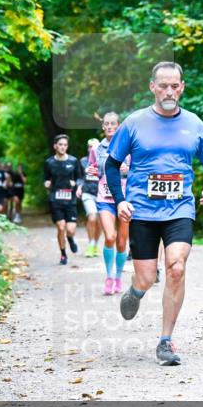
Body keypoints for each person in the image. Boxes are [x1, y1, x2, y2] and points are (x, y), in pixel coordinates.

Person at [103, 62, 203, 366]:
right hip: (142, 210)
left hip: (179, 208)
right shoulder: (134, 123)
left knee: (177, 268)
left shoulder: (194, 124)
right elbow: (112, 164)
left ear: (182, 87)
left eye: (175, 85)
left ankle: (165, 341)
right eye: (163, 85)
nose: (170, 91)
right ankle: (137, 290)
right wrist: (119, 200)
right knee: (145, 277)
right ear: (152, 87)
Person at [94, 112, 130, 295]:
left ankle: (118, 277)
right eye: (106, 124)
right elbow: (94, 170)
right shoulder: (97, 148)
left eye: (112, 124)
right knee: (110, 236)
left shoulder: (128, 146)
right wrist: (92, 172)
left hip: (124, 199)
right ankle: (108, 276)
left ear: (118, 126)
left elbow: (139, 170)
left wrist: (128, 169)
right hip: (104, 198)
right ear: (103, 127)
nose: (109, 126)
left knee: (122, 243)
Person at [43, 134, 83, 265]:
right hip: (56, 199)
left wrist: (77, 187)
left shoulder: (73, 161)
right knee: (61, 227)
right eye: (60, 144)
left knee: (70, 229)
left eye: (65, 145)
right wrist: (47, 184)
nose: (63, 147)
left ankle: (70, 238)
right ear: (55, 146)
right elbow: (46, 179)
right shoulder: (49, 162)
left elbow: (80, 178)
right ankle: (63, 254)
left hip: (70, 199)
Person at [78, 139, 102, 257]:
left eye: (94, 147)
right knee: (92, 217)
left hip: (102, 194)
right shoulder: (83, 161)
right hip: (87, 192)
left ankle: (96, 244)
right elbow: (79, 177)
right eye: (89, 146)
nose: (91, 149)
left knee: (100, 221)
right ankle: (91, 243)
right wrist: (79, 187)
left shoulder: (104, 160)